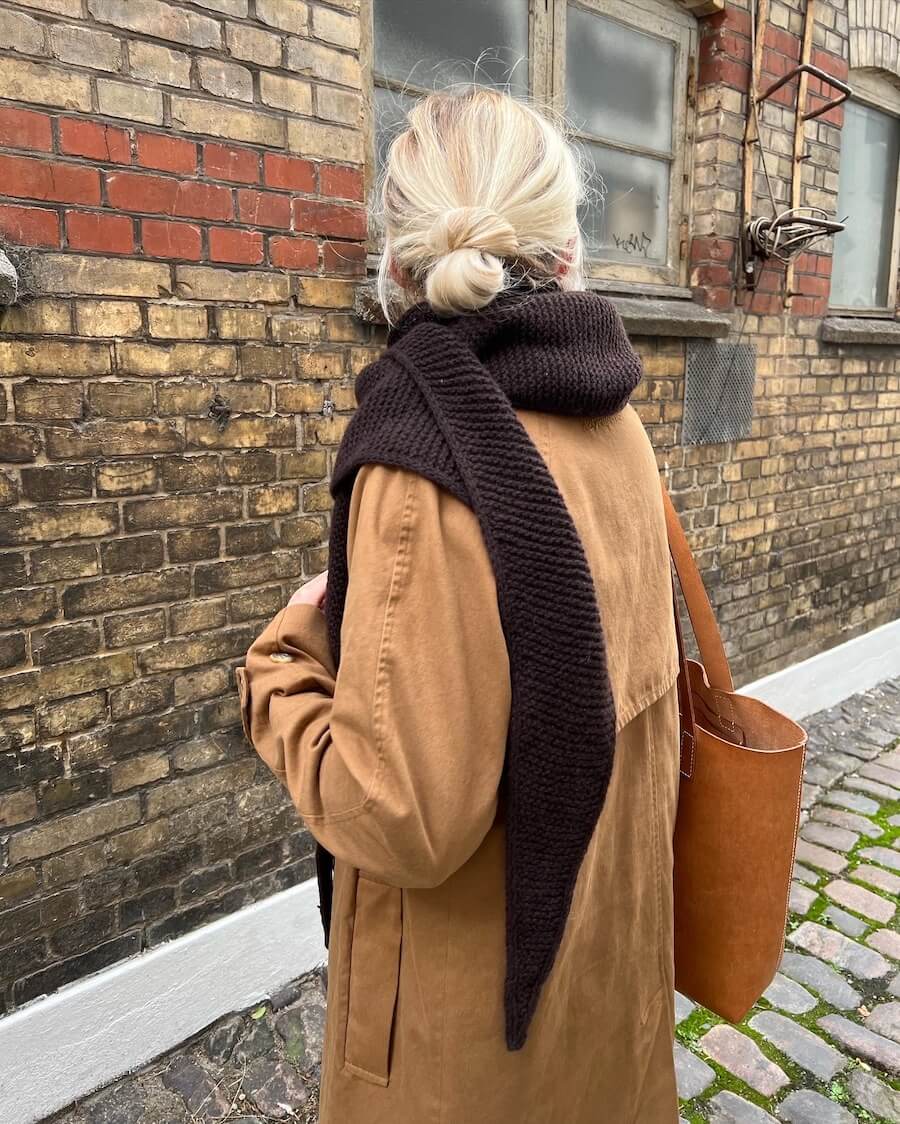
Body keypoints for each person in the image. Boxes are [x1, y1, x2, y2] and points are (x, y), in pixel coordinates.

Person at [236, 86, 681, 1123]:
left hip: (467, 1039)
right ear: (569, 251)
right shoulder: (613, 419)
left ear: (396, 264)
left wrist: (279, 673)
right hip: (601, 968)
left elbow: (399, 819)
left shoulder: (424, 466)